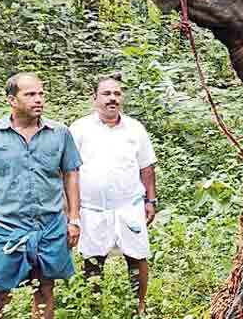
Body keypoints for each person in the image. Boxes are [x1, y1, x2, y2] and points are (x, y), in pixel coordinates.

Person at [0, 72, 82, 319]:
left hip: (50, 225)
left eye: (41, 93)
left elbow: (70, 175)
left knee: (45, 287)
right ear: (12, 100)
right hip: (9, 226)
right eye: (30, 94)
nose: (38, 99)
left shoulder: (59, 133)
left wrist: (73, 219)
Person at [69, 74, 158, 316]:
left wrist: (150, 200)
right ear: (95, 98)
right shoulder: (79, 129)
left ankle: (138, 308)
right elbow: (69, 171)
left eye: (117, 94)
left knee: (137, 256)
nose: (112, 98)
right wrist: (71, 210)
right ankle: (95, 308)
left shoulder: (135, 128)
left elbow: (146, 168)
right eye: (107, 94)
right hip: (92, 208)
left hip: (129, 205)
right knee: (93, 259)